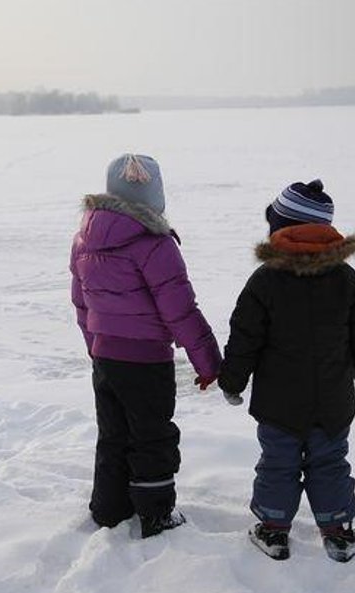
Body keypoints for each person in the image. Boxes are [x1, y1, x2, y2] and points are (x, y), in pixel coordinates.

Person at [218, 179, 355, 563]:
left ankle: (273, 529)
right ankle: (338, 532)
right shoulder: (347, 281)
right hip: (333, 401)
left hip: (278, 404)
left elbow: (245, 337)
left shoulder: (264, 281)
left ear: (279, 229)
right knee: (329, 462)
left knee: (278, 463)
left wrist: (232, 381)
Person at [70, 154, 222, 538]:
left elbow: (81, 301)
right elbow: (180, 311)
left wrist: (95, 345)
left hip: (105, 358)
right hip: (146, 362)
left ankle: (109, 508)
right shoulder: (154, 243)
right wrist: (208, 363)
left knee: (113, 434)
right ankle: (155, 514)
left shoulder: (83, 239)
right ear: (156, 196)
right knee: (152, 435)